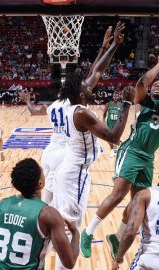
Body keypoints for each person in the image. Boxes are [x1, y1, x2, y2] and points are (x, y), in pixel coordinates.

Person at [80, 44, 159, 259]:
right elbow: (141, 83)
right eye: (155, 84)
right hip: (132, 150)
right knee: (118, 195)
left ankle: (117, 236)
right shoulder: (143, 102)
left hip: (148, 158)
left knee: (136, 200)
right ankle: (88, 232)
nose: (157, 85)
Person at [54, 22, 135, 270]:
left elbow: (96, 70)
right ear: (80, 93)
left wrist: (110, 46)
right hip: (74, 173)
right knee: (70, 229)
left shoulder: (73, 103)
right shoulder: (81, 114)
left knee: (69, 226)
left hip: (74, 170)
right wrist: (126, 105)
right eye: (86, 86)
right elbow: (112, 136)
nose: (91, 85)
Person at [19, 25, 114, 205]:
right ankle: (53, 225)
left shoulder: (52, 106)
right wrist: (105, 47)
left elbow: (33, 111)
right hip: (65, 152)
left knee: (47, 193)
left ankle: (38, 222)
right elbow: (96, 71)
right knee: (62, 200)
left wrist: (27, 99)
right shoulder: (74, 105)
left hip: (49, 152)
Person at [0, 158, 80, 270]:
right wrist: (75, 233)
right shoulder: (48, 214)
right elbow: (69, 263)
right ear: (40, 183)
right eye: (43, 173)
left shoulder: (0, 206)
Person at [103, 91, 122, 157]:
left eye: (117, 96)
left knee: (116, 138)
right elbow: (104, 113)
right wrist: (103, 121)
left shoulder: (121, 105)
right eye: (114, 96)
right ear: (112, 96)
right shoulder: (108, 104)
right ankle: (112, 150)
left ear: (118, 96)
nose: (115, 97)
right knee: (109, 138)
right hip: (109, 123)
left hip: (117, 124)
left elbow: (123, 115)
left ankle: (115, 150)